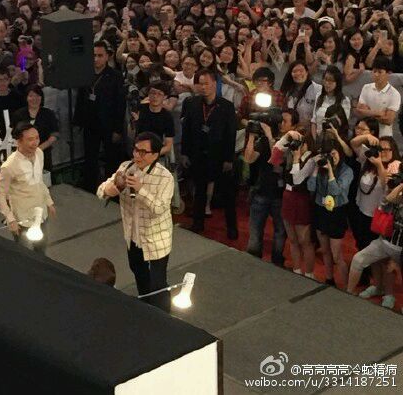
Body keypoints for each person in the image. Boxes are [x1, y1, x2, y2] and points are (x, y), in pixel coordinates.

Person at [97, 132, 173, 312]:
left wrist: (140, 189)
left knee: (157, 284)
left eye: (143, 152)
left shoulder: (164, 177)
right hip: (133, 236)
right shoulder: (126, 167)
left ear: (155, 155)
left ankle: (164, 316)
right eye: (136, 150)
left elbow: (159, 209)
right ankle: (146, 310)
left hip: (156, 240)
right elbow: (101, 192)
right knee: (138, 273)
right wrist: (114, 188)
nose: (137, 155)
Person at [181, 69, 237, 238]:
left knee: (227, 194)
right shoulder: (191, 103)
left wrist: (228, 158)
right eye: (200, 84)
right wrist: (185, 153)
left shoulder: (226, 106)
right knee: (199, 190)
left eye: (206, 83)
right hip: (198, 153)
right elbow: (186, 130)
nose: (203, 87)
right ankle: (197, 223)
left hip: (219, 154)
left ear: (214, 83)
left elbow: (231, 134)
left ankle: (232, 228)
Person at [0, 122, 56, 253]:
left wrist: (49, 201)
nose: (35, 143)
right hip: (23, 220)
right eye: (30, 139)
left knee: (42, 252)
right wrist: (10, 219)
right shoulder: (9, 166)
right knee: (25, 256)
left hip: (41, 215)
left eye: (37, 138)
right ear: (19, 141)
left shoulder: (39, 153)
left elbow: (39, 181)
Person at [74, 40, 126, 191]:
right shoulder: (86, 74)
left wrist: (117, 129)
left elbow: (120, 103)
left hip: (109, 123)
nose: (96, 59)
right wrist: (78, 121)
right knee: (90, 157)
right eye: (94, 55)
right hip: (90, 123)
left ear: (107, 56)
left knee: (111, 158)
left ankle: (111, 189)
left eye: (100, 55)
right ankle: (90, 187)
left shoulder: (115, 76)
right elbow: (80, 98)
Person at [347, 178, 403, 309]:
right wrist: (392, 193)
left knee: (389, 264)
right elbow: (381, 207)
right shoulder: (395, 199)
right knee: (358, 259)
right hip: (383, 242)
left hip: (400, 249)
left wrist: (397, 261)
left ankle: (389, 295)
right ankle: (348, 293)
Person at [307, 140, 353, 288]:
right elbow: (310, 187)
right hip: (321, 211)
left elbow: (335, 191)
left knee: (337, 255)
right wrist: (316, 168)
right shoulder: (320, 169)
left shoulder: (347, 171)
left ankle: (347, 288)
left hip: (336, 213)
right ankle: (329, 279)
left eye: (333, 154)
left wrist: (331, 171)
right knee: (325, 250)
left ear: (339, 153)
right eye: (327, 155)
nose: (331, 158)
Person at [272, 127, 316, 277]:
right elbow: (275, 156)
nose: (296, 145)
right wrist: (287, 136)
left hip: (302, 199)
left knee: (305, 241)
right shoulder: (290, 153)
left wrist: (297, 157)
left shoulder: (312, 160)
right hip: (288, 197)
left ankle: (309, 274)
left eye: (300, 142)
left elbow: (297, 179)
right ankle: (296, 270)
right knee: (292, 239)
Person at [243, 113, 286, 266]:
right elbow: (248, 158)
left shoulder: (285, 141)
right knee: (255, 230)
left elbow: (278, 162)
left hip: (279, 194)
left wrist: (269, 136)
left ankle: (277, 261)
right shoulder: (261, 141)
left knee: (280, 231)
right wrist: (251, 137)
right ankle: (253, 261)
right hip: (261, 191)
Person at [12, 85, 59, 171]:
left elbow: (54, 135)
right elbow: (14, 135)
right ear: (26, 98)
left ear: (41, 97)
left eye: (37, 95)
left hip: (44, 154)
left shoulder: (48, 113)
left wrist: (38, 149)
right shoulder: (18, 114)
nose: (34, 99)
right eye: (31, 96)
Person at [356, 56, 401, 137]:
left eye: (380, 72)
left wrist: (367, 112)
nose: (376, 75)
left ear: (388, 73)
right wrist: (379, 113)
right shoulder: (366, 87)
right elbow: (359, 112)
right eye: (374, 71)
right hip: (365, 134)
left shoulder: (394, 94)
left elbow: (388, 120)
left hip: (384, 136)